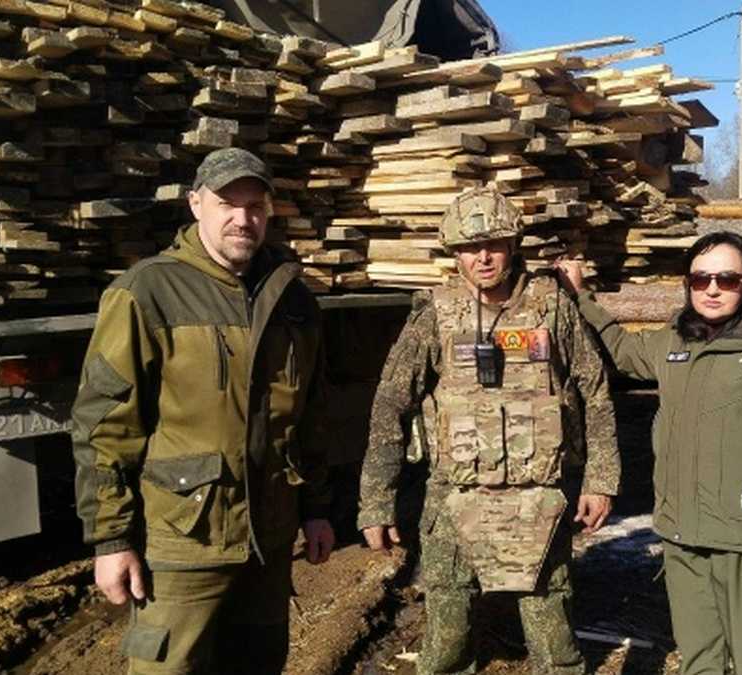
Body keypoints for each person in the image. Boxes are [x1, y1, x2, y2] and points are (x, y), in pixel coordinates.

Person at [71, 147, 335, 675]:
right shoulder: (147, 292)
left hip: (269, 536)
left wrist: (317, 509)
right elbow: (105, 425)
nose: (243, 219)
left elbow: (311, 415)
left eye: (256, 205)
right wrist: (113, 538)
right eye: (227, 203)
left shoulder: (294, 299)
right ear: (196, 205)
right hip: (185, 540)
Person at [357, 186, 621, 675]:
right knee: (447, 639)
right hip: (454, 501)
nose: (482, 256)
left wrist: (599, 480)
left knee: (554, 641)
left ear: (513, 243)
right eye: (468, 247)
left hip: (536, 498)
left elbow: (596, 391)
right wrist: (376, 500)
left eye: (494, 243)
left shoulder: (552, 308)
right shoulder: (435, 315)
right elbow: (390, 406)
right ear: (453, 252)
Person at [556, 231, 742, 675]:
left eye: (726, 279)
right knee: (698, 659)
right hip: (683, 533)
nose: (711, 289)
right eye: (699, 278)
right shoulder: (677, 339)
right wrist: (581, 296)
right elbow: (625, 352)